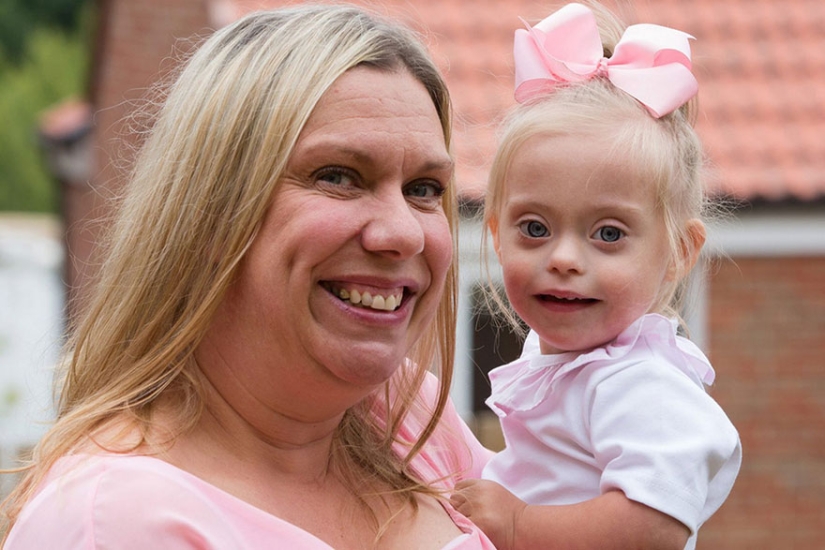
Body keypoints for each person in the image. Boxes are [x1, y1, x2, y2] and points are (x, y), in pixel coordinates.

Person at [1, 5, 497, 549]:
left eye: (424, 189)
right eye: (338, 176)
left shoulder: (408, 417)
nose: (402, 233)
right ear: (211, 212)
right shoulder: (114, 522)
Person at [450, 3, 742, 549]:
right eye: (534, 228)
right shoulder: (564, 362)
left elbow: (653, 526)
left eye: (608, 234)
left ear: (679, 251)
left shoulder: (640, 382)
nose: (563, 258)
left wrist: (518, 526)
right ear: (495, 233)